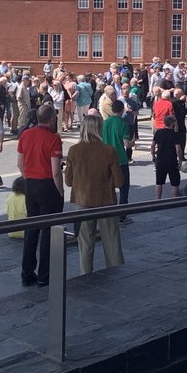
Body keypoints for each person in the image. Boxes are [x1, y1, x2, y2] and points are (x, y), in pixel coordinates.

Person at [64, 114, 125, 275]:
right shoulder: (109, 151)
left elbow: (68, 181)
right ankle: (117, 272)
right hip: (106, 201)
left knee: (85, 243)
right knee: (112, 240)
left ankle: (86, 273)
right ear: (99, 129)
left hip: (83, 201)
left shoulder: (74, 150)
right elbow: (119, 182)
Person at [16, 103, 64, 287]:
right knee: (48, 231)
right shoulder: (53, 139)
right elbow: (56, 171)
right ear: (52, 119)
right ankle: (44, 275)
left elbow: (20, 163)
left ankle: (27, 272)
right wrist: (59, 190)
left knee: (32, 228)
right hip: (48, 186)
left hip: (31, 184)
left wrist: (28, 178)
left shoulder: (25, 135)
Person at [151, 114, 183, 198]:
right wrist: (180, 160)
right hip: (171, 160)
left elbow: (153, 145)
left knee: (159, 182)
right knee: (175, 183)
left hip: (160, 160)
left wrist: (153, 155)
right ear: (172, 123)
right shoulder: (175, 135)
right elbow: (178, 149)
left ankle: (158, 199)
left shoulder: (158, 132)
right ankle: (174, 200)